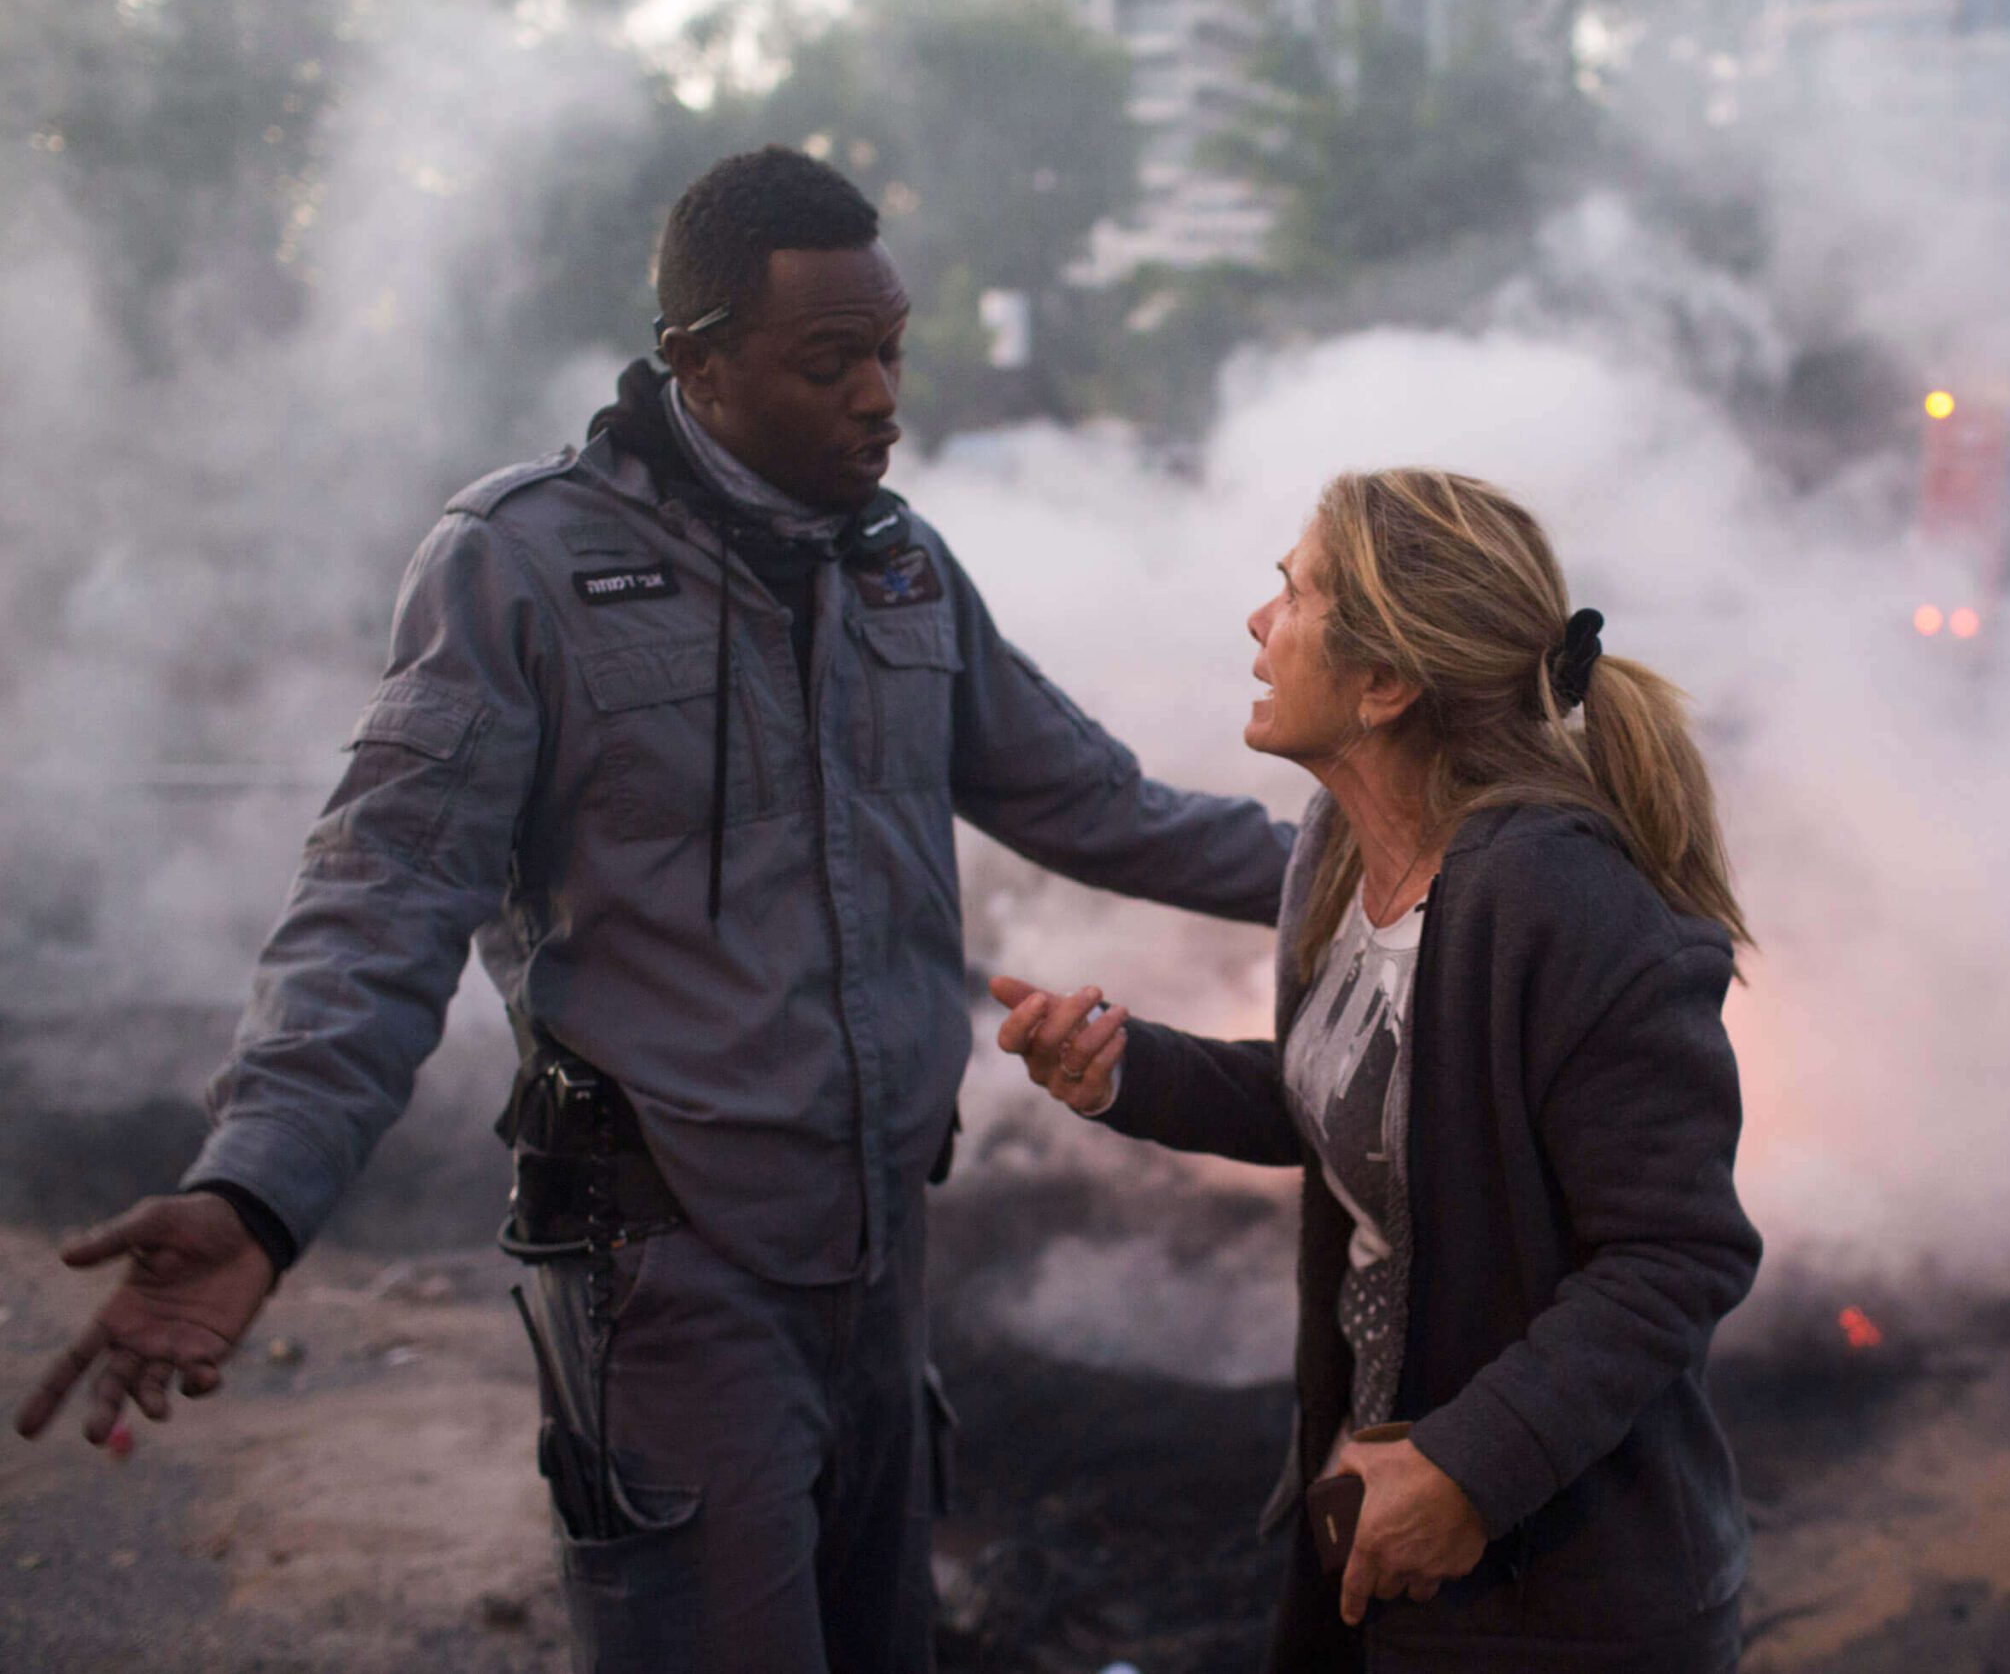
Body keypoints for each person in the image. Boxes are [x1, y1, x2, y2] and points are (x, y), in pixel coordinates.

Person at [11, 146, 1295, 1672]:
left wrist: (1430, 861)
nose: (883, 396)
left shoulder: (900, 566)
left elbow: (1103, 805)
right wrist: (255, 1188)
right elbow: (376, 899)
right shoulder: (522, 566)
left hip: (883, 1262)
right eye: (832, 363)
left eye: (892, 352)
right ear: (698, 361)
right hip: (669, 1273)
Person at [991, 468, 1763, 1673]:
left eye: (1291, 595)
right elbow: (1357, 1107)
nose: (1258, 625)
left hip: (1562, 1602)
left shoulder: (1564, 904)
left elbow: (1675, 1254)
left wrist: (1468, 1464)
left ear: (1386, 684)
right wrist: (1125, 1071)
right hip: (1376, 1541)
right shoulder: (1340, 849)